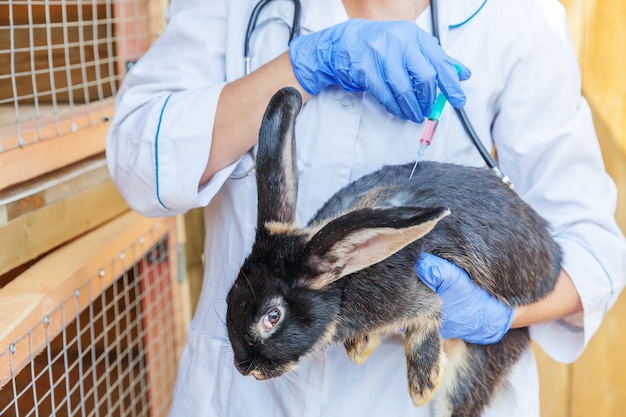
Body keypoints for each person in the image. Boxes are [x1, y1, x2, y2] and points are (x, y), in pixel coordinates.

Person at [106, 0, 626, 415]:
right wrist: (302, 66)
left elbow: (593, 246)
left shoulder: (517, 20)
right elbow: (137, 158)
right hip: (245, 398)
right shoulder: (237, 8)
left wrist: (495, 316)